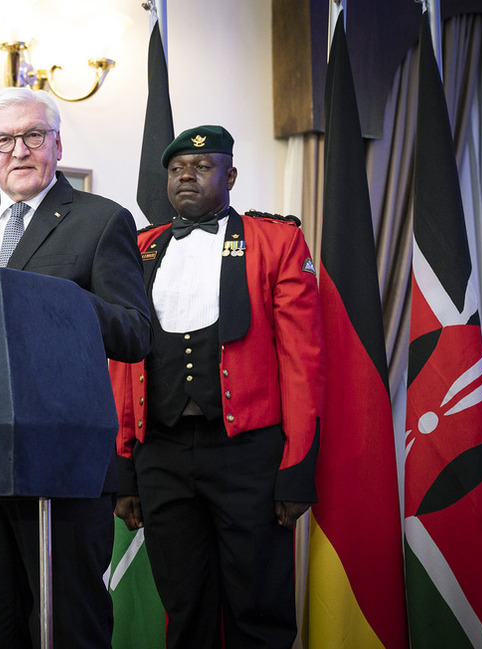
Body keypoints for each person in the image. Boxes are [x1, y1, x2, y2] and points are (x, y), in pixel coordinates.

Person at [0, 86, 150, 647]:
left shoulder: (101, 220)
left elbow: (135, 332)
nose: (19, 151)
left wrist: (60, 302)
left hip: (63, 454)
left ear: (56, 144)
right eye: (4, 140)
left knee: (65, 624)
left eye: (32, 136)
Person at [111, 125, 325, 648]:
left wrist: (297, 468)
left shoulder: (276, 240)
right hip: (158, 455)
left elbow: (302, 360)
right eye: (177, 167)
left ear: (230, 176)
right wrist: (122, 468)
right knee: (185, 609)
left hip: (248, 454)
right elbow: (119, 363)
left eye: (203, 167)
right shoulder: (137, 250)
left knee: (260, 609)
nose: (187, 174)